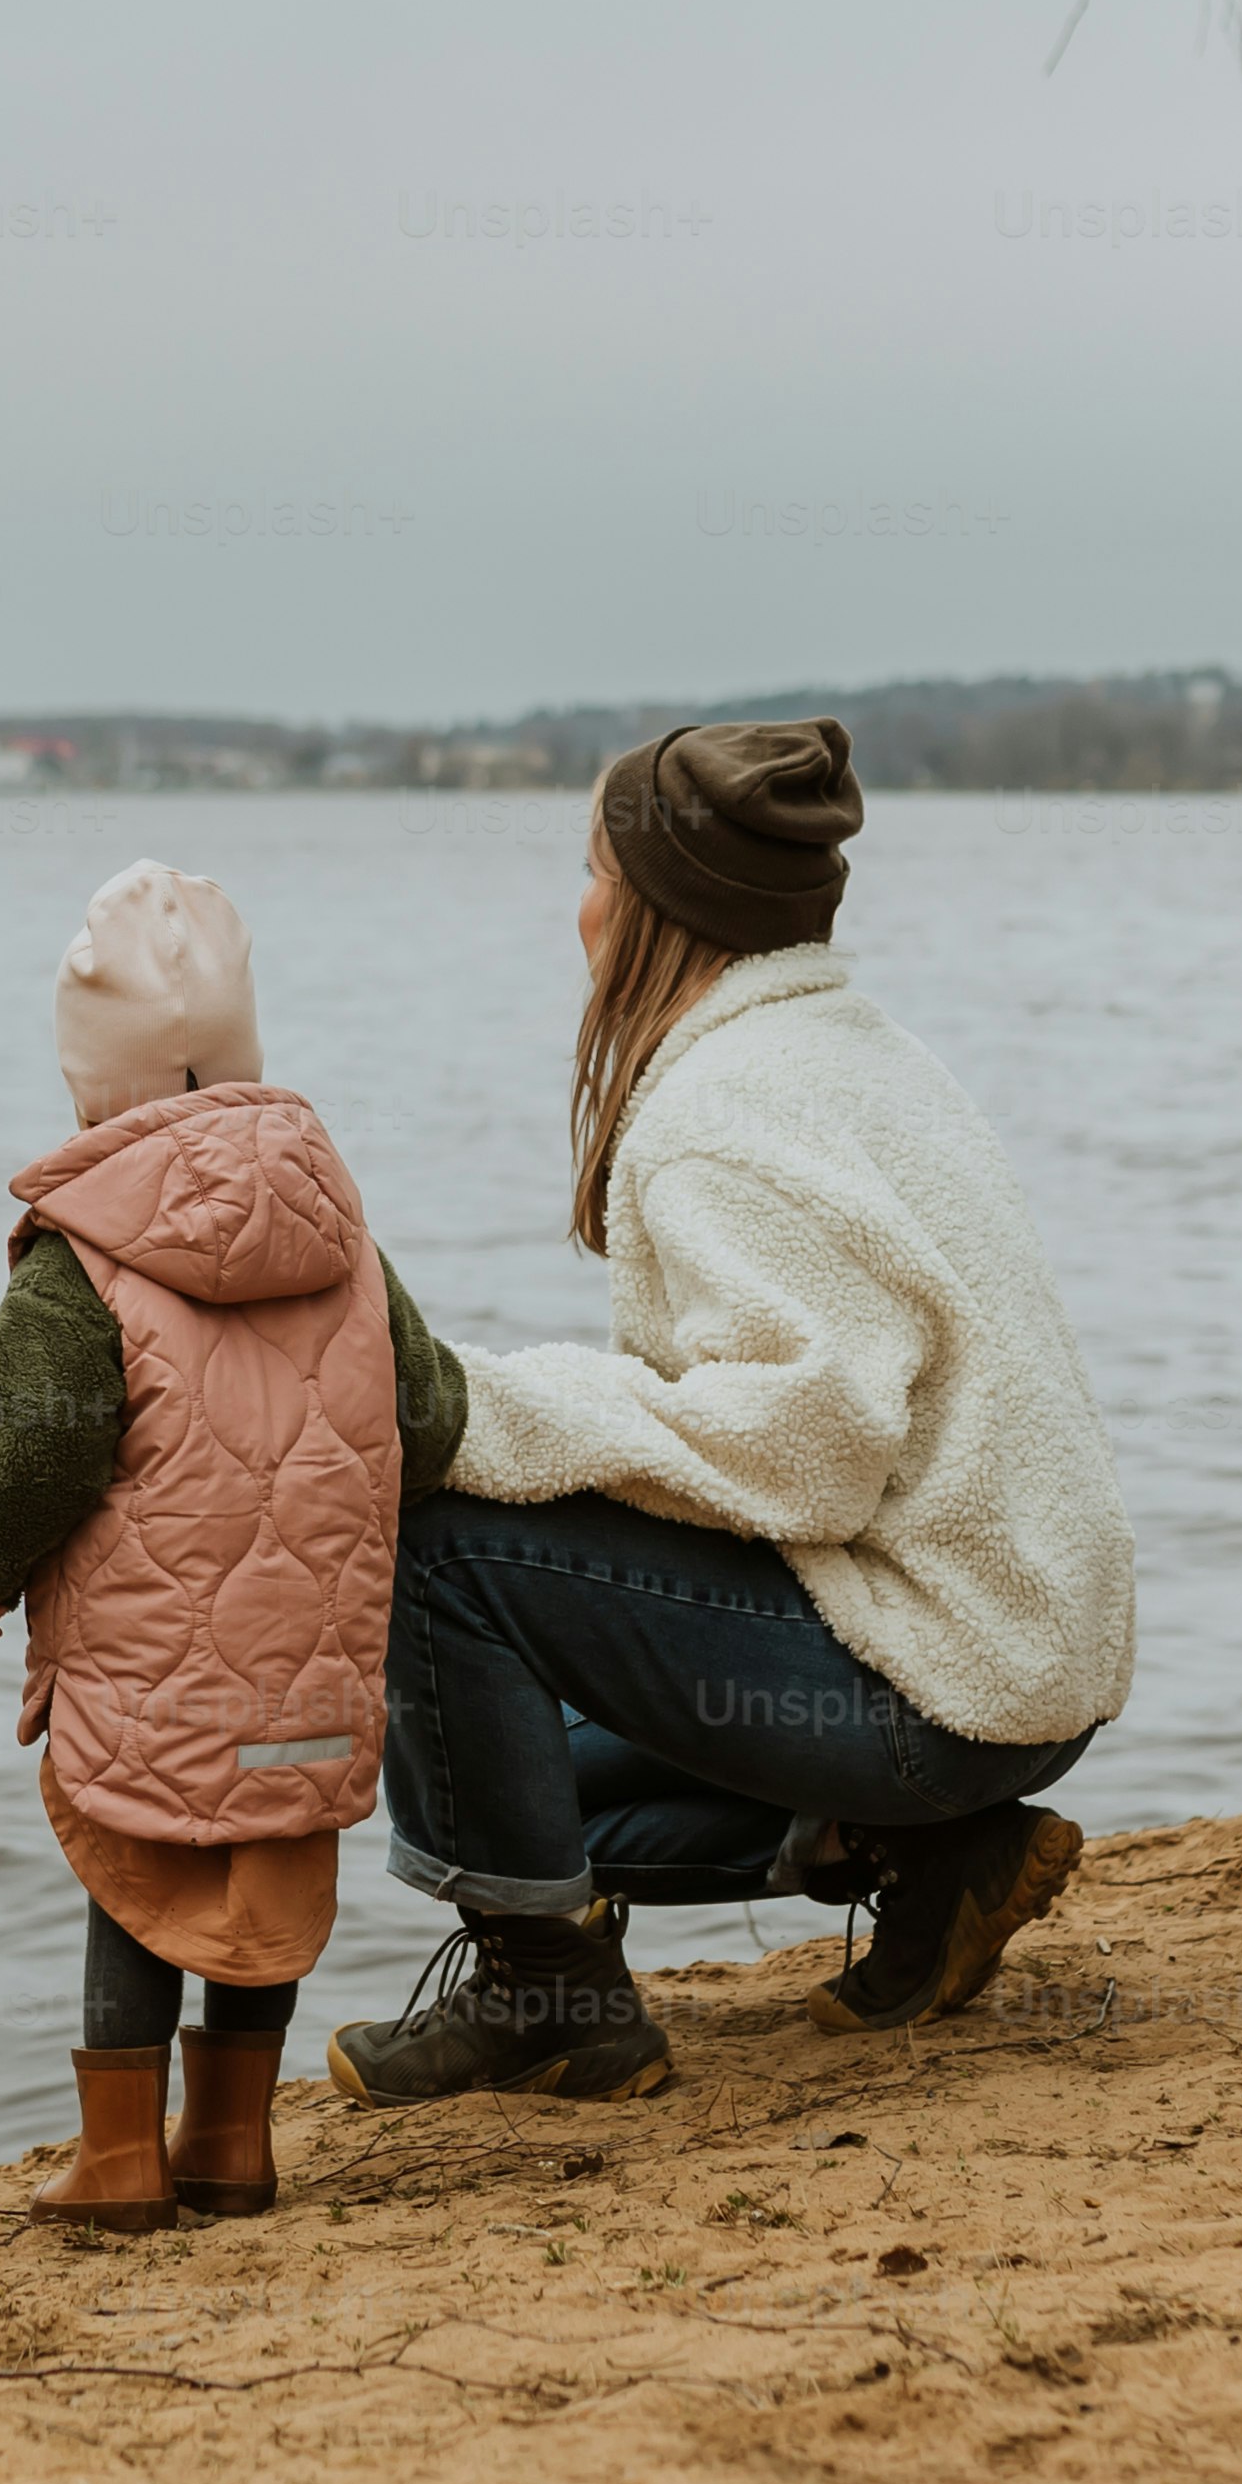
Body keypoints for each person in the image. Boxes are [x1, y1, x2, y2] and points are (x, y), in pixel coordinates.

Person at [330, 719, 1137, 2107]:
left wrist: (483, 1410)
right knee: (499, 1780)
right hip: (1013, 1672)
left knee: (447, 1538)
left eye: (590, 867)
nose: (574, 902)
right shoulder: (856, 1049)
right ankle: (939, 1863)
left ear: (658, 904)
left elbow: (804, 1453)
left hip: (941, 1688)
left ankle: (548, 1996)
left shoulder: (722, 1114)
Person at [0, 860, 468, 2232]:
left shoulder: (82, 1259)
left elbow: (29, 1457)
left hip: (152, 1665)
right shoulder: (344, 1239)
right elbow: (436, 1415)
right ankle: (229, 2143)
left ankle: (117, 2160)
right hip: (309, 1682)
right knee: (260, 1866)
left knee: (141, 1868)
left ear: (92, 1089)